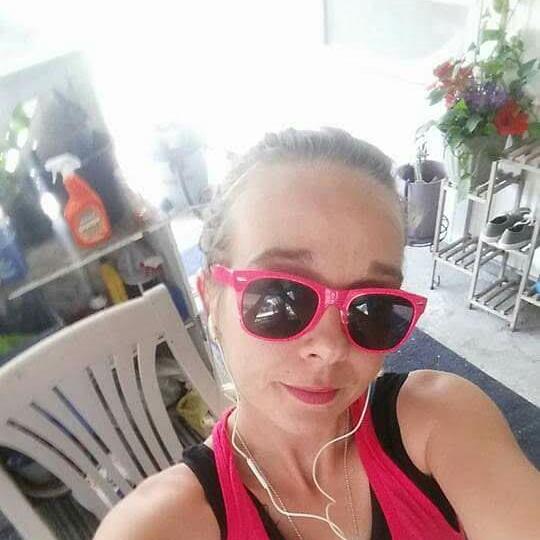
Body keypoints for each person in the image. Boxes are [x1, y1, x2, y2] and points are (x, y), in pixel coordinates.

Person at [94, 128, 539, 540]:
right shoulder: (159, 525)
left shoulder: (442, 419)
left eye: (372, 307)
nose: (329, 348)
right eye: (281, 296)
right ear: (211, 299)